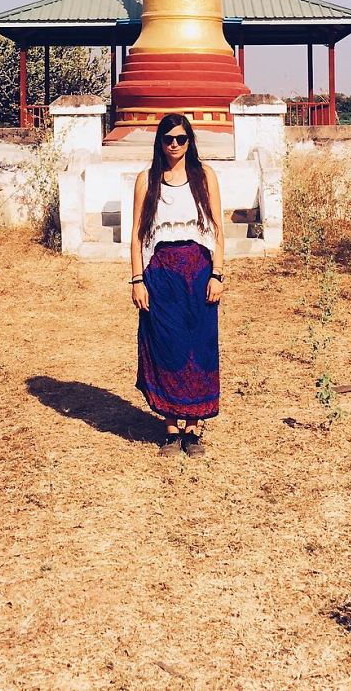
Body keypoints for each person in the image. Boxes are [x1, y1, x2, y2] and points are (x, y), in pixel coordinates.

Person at [130, 113, 225, 457]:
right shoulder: (147, 179)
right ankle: (172, 427)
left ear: (190, 141)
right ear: (159, 141)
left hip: (199, 270)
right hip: (161, 272)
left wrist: (217, 273)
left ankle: (195, 427)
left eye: (181, 139)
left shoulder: (204, 177)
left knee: (199, 344)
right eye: (168, 139)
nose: (174, 145)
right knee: (165, 343)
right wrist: (138, 279)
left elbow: (216, 229)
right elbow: (137, 235)